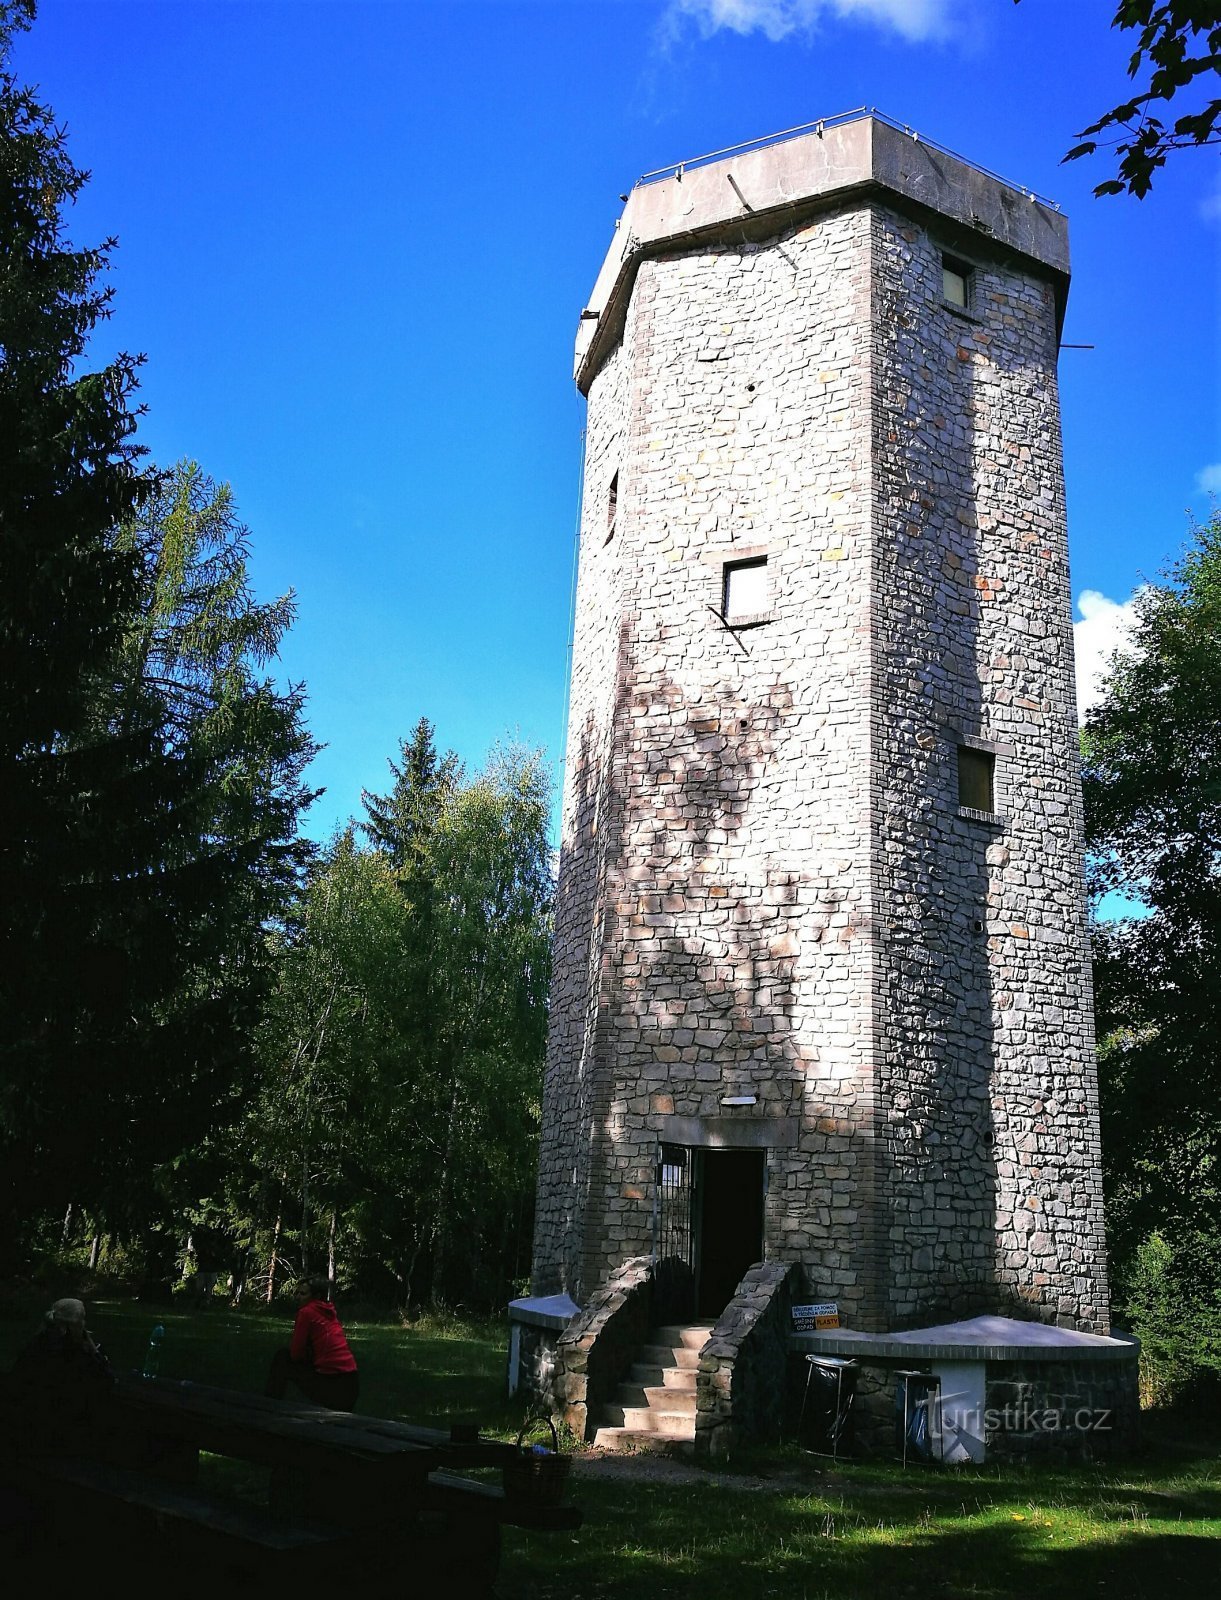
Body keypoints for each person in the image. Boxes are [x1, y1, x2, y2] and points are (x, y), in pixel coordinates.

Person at [8, 1297, 116, 1449]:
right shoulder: (77, 1353)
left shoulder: (38, 1343)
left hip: (25, 1425)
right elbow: (107, 1377)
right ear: (78, 1323)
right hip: (60, 1432)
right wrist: (94, 1350)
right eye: (83, 1319)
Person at [265, 1276, 359, 1410]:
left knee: (283, 1357)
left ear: (316, 1296)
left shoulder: (306, 1312)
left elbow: (295, 1354)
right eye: (296, 1293)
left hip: (334, 1386)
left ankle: (268, 1408)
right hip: (351, 1385)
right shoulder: (328, 1312)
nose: (297, 1297)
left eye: (303, 1293)